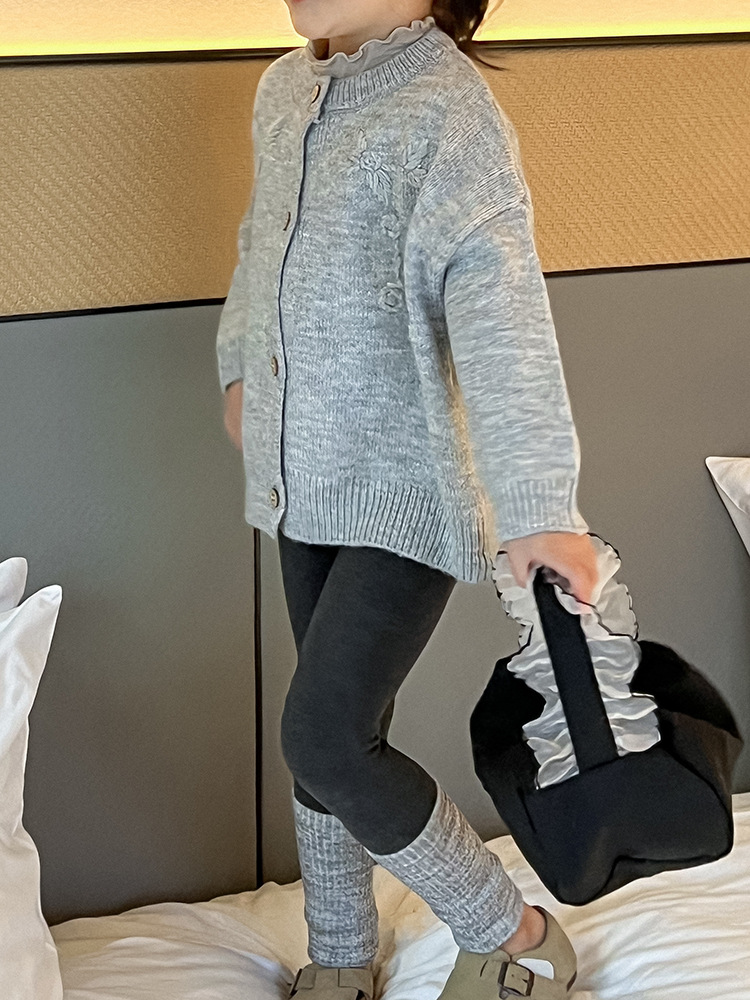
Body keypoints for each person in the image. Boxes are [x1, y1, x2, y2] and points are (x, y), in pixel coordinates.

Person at [218, 2, 599, 997]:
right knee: (331, 730)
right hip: (303, 479)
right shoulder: (285, 89)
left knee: (323, 734)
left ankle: (515, 931)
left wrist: (539, 504)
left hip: (409, 493)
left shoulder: (449, 110)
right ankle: (343, 952)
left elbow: (502, 312)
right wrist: (239, 368)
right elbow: (261, 244)